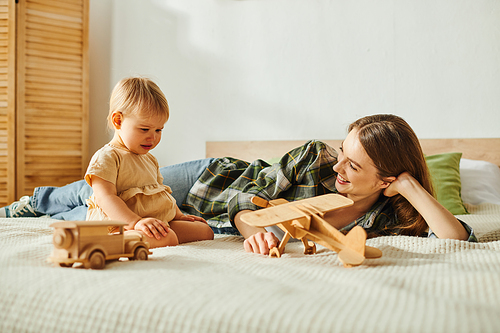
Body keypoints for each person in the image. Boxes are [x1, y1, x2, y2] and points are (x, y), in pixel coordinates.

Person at [1, 114, 476, 254]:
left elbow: (457, 238)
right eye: (343, 155)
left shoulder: (388, 215)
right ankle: (33, 202)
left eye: (353, 167)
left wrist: (412, 188)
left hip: (194, 218)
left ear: (388, 177)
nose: (338, 171)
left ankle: (44, 207)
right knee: (109, 184)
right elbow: (238, 203)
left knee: (108, 215)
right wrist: (255, 226)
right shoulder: (313, 159)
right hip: (210, 181)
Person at [83, 76, 213, 248]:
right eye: (144, 129)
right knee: (169, 238)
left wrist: (179, 216)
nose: (153, 137)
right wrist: (135, 222)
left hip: (153, 222)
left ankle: (155, 232)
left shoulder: (149, 159)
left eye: (159, 129)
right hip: (119, 226)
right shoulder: (108, 156)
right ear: (118, 121)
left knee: (205, 231)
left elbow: (161, 194)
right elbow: (105, 198)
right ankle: (107, 243)